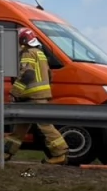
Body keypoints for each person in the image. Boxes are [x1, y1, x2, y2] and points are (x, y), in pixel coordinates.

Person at [5, 28, 69, 165]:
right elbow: (49, 75)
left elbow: (27, 74)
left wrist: (14, 92)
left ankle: (60, 153)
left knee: (45, 125)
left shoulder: (28, 53)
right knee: (20, 127)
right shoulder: (40, 53)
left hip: (33, 96)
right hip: (37, 96)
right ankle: (7, 152)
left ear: (22, 41)